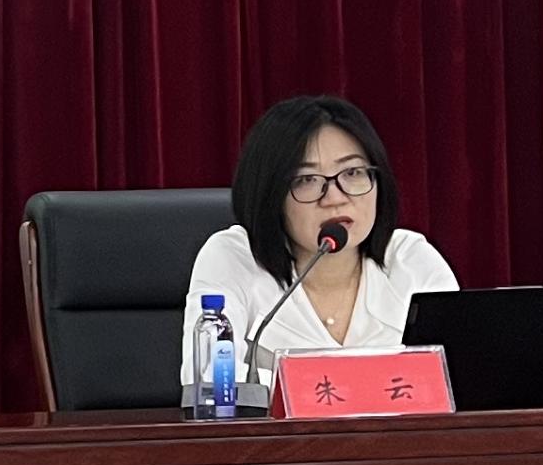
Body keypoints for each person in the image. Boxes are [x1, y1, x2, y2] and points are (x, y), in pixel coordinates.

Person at [183, 94, 458, 399]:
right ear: (270, 193)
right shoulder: (233, 258)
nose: (335, 197)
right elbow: (210, 385)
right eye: (307, 180)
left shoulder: (412, 259)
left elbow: (461, 379)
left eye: (352, 173)